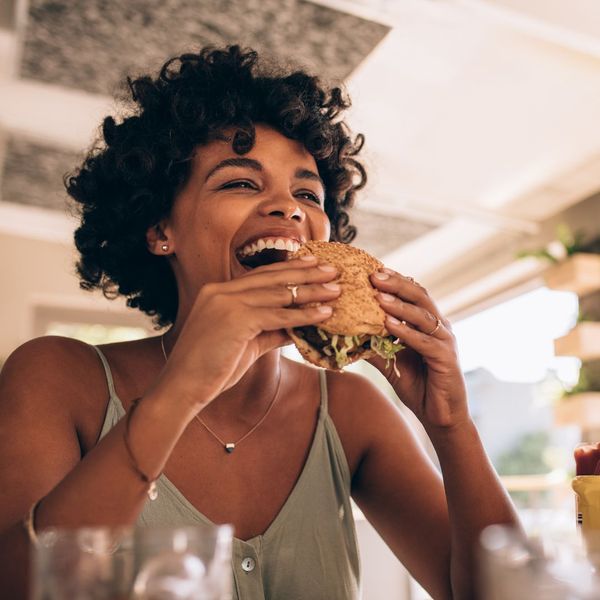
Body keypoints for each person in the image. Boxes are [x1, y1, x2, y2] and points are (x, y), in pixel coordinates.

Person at [0, 45, 519, 599]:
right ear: (159, 231)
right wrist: (181, 393)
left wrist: (451, 425)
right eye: (241, 183)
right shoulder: (57, 376)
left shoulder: (351, 411)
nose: (289, 208)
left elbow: (504, 595)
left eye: (306, 193)